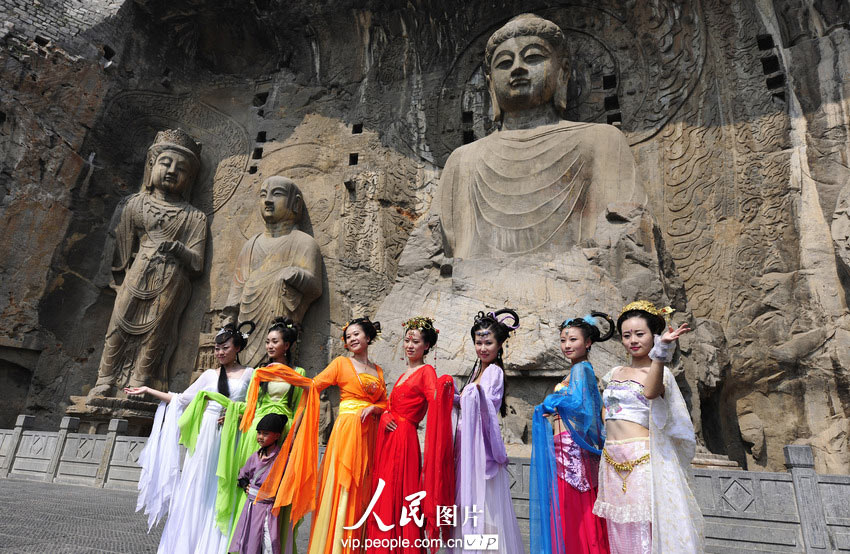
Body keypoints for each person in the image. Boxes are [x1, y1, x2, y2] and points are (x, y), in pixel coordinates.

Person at [438, 14, 644, 259]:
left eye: (533, 57)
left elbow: (622, 240)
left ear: (563, 72)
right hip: (467, 290)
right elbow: (437, 250)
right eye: (504, 62)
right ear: (490, 84)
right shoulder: (463, 160)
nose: (517, 68)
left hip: (579, 284)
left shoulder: (601, 141)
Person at [239, 316, 388, 554]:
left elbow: (384, 402)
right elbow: (313, 384)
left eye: (356, 334)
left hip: (369, 433)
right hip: (347, 430)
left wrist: (374, 408)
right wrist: (285, 374)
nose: (352, 339)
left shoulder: (378, 370)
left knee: (364, 486)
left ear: (368, 337)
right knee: (344, 486)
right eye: (348, 336)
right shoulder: (341, 364)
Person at [90, 129, 207, 398]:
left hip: (171, 280)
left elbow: (198, 263)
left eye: (181, 168)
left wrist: (179, 249)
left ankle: (141, 380)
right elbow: (119, 251)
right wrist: (118, 280)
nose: (172, 171)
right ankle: (105, 378)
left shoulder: (194, 217)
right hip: (136, 273)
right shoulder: (134, 205)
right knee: (118, 325)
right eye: (166, 163)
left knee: (157, 332)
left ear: (189, 179)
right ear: (152, 166)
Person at [129, 322, 255, 554]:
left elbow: (255, 408)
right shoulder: (209, 375)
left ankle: (217, 543)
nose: (219, 353)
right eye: (217, 349)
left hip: (231, 437)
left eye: (225, 347)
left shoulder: (250, 375)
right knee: (198, 484)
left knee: (222, 485)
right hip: (207, 435)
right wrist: (147, 390)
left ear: (237, 347)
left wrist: (237, 413)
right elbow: (180, 399)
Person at [592, 301, 704, 553]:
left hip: (641, 460)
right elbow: (605, 409)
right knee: (619, 527)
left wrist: (661, 353)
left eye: (640, 334)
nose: (633, 340)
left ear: (653, 336)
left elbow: (651, 392)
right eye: (626, 335)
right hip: (611, 459)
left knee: (643, 527)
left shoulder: (659, 372)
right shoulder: (614, 373)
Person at [367, 317, 455, 553]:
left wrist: (444, 386)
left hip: (404, 439)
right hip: (389, 438)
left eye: (415, 341)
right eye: (407, 340)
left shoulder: (426, 371)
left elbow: (434, 400)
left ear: (426, 346)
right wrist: (384, 414)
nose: (409, 345)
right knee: (386, 492)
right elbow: (390, 406)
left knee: (399, 493)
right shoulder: (406, 372)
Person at [530, 313, 613, 554]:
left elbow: (581, 407)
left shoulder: (582, 369)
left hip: (571, 447)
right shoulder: (576, 371)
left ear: (587, 343)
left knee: (572, 509)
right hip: (564, 444)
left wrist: (551, 402)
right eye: (563, 340)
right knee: (568, 508)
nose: (567, 345)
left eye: (573, 339)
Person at [223, 317, 305, 552]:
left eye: (274, 341)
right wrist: (233, 414)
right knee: (253, 485)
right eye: (267, 341)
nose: (269, 346)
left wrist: (293, 438)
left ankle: (272, 544)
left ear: (286, 345)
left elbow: (300, 407)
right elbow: (252, 405)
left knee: (276, 489)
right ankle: (246, 542)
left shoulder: (298, 372)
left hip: (285, 429)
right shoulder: (261, 372)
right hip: (258, 428)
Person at [226, 176, 323, 367]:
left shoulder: (303, 242)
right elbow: (237, 291)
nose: (268, 200)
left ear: (295, 203)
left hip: (280, 323)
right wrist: (228, 323)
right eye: (263, 195)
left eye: (276, 194)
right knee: (243, 369)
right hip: (247, 323)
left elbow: (315, 288)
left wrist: (296, 275)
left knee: (276, 367)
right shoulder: (251, 245)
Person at [453, 309, 524, 554]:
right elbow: (468, 401)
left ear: (499, 345)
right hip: (466, 446)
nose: (483, 348)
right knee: (470, 507)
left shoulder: (494, 372)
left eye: (488, 343)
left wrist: (471, 396)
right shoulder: (476, 372)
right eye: (478, 342)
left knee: (484, 508)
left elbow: (487, 406)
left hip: (480, 448)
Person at [230, 413, 289, 554]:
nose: (260, 437)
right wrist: (245, 485)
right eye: (259, 433)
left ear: (277, 436)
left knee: (269, 543)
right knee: (250, 539)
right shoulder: (255, 456)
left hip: (269, 507)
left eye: (265, 433)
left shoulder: (281, 458)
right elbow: (242, 476)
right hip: (251, 507)